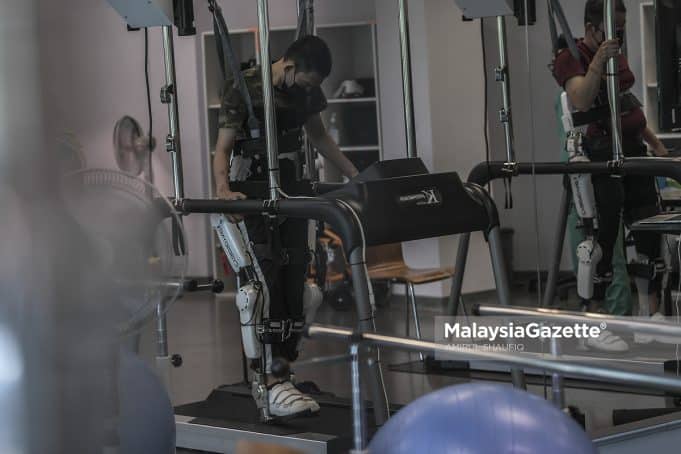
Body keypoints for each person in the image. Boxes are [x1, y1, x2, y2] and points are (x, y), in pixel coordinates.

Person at [213, 35, 359, 417]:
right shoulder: (243, 86)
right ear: (290, 67)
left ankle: (283, 373)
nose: (311, 91)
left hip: (292, 188)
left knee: (302, 290)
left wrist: (356, 176)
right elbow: (223, 147)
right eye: (308, 82)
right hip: (253, 191)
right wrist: (222, 190)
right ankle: (266, 381)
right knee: (261, 289)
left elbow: (321, 137)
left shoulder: (305, 95)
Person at [552, 0, 668, 351]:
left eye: (622, 28)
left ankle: (651, 315)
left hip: (631, 151)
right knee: (600, 241)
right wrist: (600, 61)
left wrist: (658, 148)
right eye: (612, 29)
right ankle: (594, 318)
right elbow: (582, 99)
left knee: (650, 227)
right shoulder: (569, 58)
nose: (618, 36)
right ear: (591, 27)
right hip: (597, 155)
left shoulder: (619, 56)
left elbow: (629, 105)